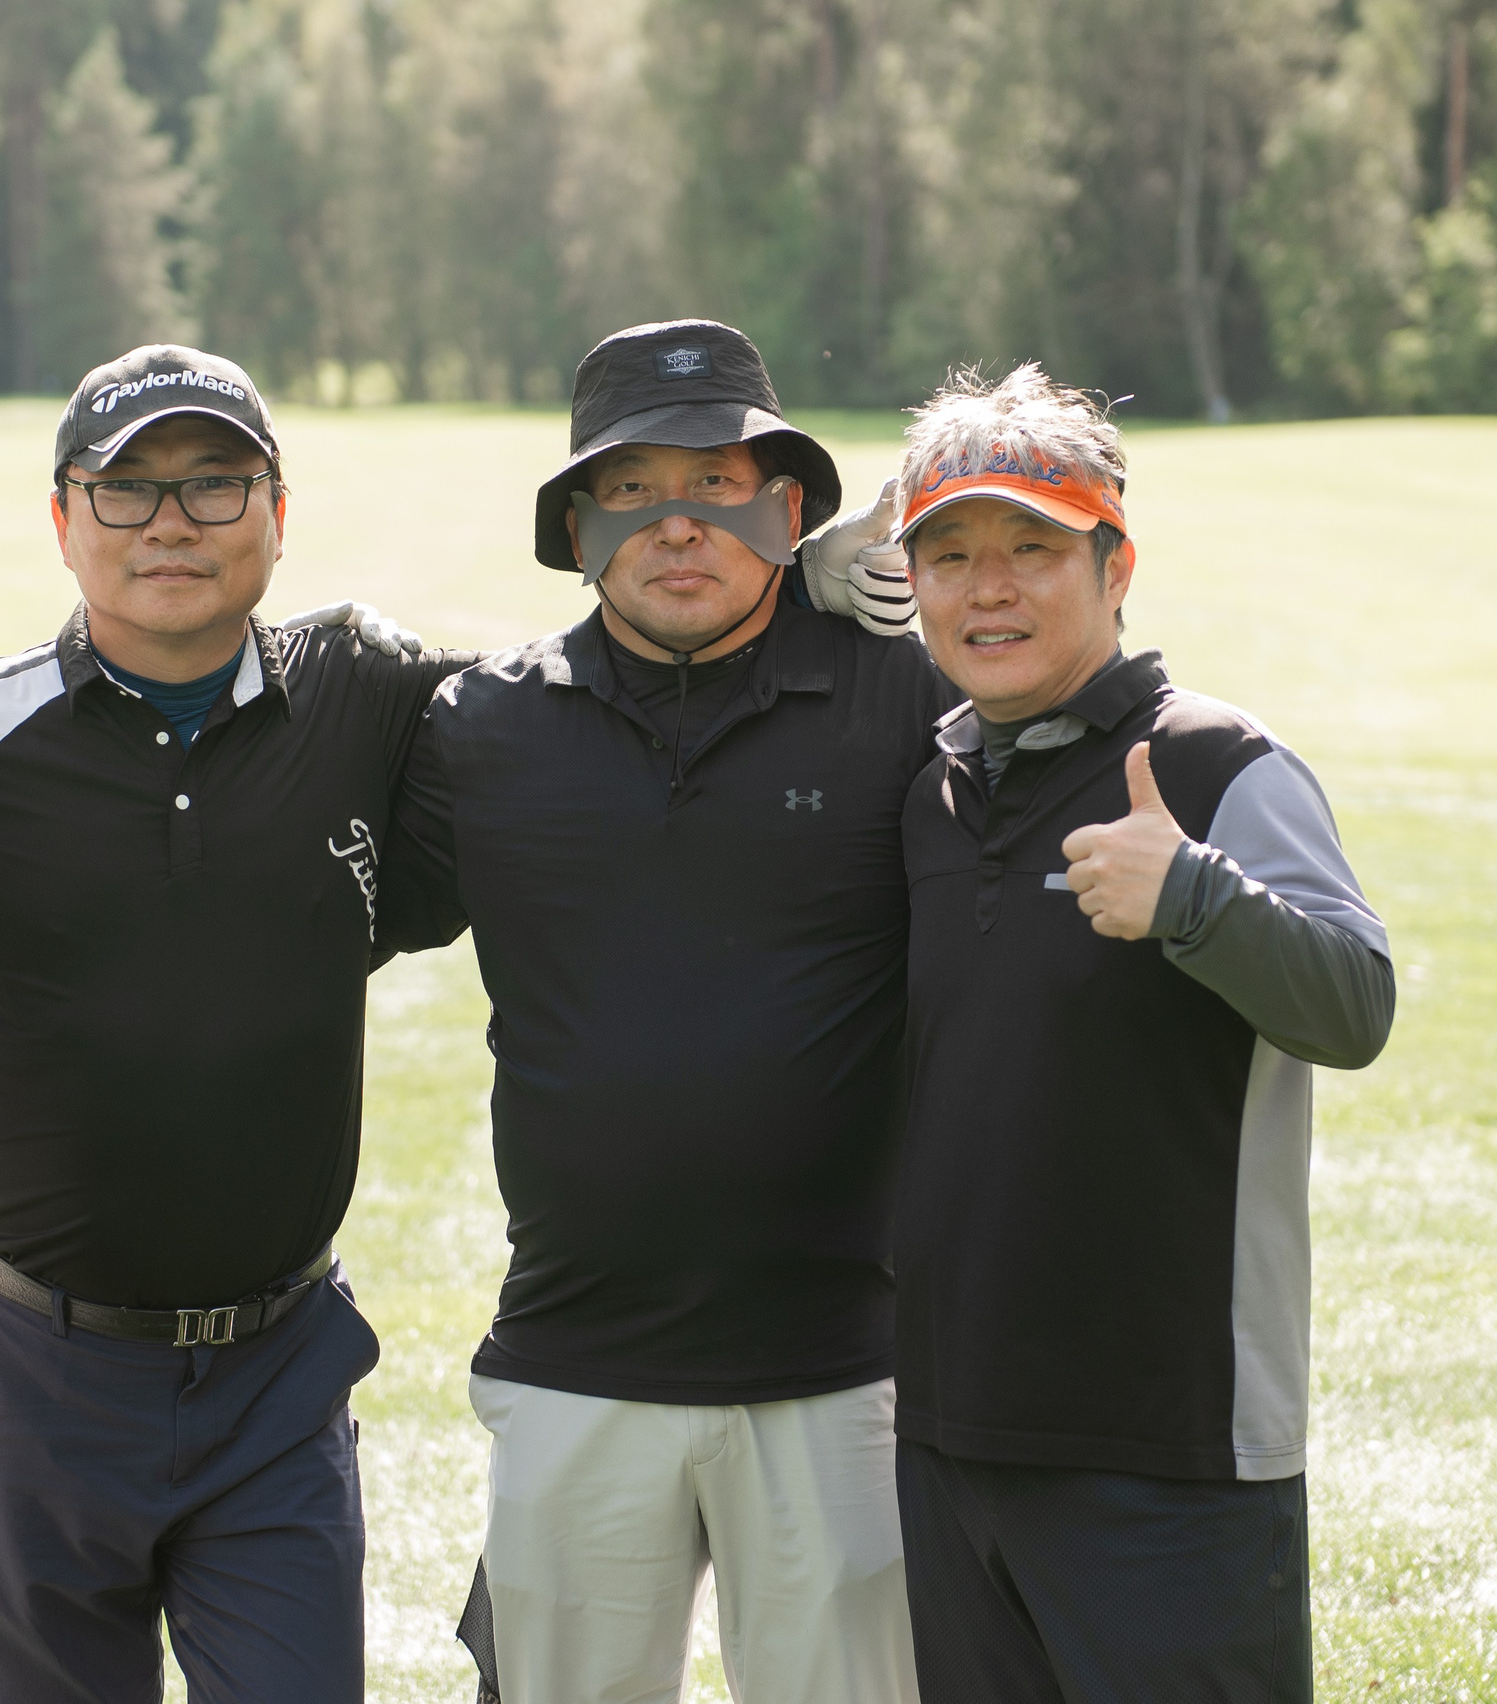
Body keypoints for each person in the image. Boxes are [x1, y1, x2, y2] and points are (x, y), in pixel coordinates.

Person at [384, 319, 954, 1704]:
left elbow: (1068, 654)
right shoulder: (481, 729)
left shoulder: (906, 703)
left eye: (720, 484)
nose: (680, 523)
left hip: (847, 1377)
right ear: (576, 526)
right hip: (579, 1364)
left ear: (792, 509)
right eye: (633, 491)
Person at [0, 343, 478, 1704]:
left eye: (215, 484)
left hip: (275, 1375)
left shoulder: (368, 692)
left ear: (280, 510)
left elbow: (593, 708)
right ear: (61, 521)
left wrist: (792, 601)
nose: (170, 522)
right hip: (30, 1373)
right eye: (126, 488)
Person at [886, 364, 1394, 1702]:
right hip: (948, 1441)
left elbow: (1355, 1004)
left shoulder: (1220, 765)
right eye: (949, 555)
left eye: (1031, 549)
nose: (987, 587)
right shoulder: (928, 791)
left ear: (1117, 568)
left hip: (1170, 1454)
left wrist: (1195, 898)